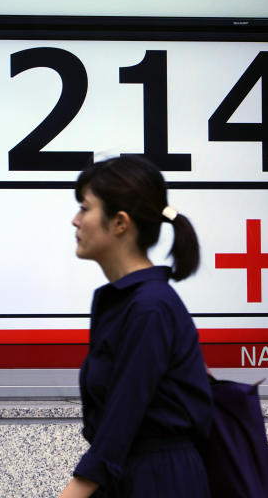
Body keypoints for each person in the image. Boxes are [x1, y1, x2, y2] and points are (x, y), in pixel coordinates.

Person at [58, 155, 213, 498]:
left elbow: (121, 418)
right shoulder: (128, 302)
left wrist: (74, 492)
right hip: (133, 476)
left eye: (85, 208)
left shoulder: (150, 307)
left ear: (120, 223)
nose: (75, 220)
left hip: (159, 482)